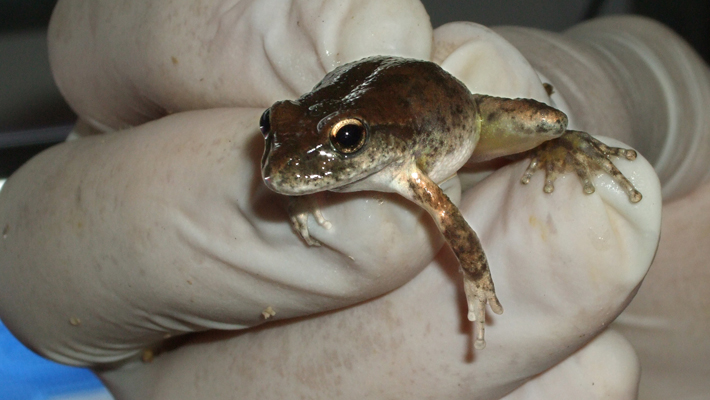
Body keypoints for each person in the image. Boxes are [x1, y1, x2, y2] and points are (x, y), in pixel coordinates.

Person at [0, 0, 706, 398]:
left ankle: (571, 144)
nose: (285, 163)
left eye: (340, 143)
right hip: (366, 101)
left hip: (447, 109)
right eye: (272, 133)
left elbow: (453, 222)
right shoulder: (304, 152)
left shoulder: (409, 169)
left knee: (548, 123)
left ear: (365, 142)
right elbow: (300, 144)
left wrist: (479, 284)